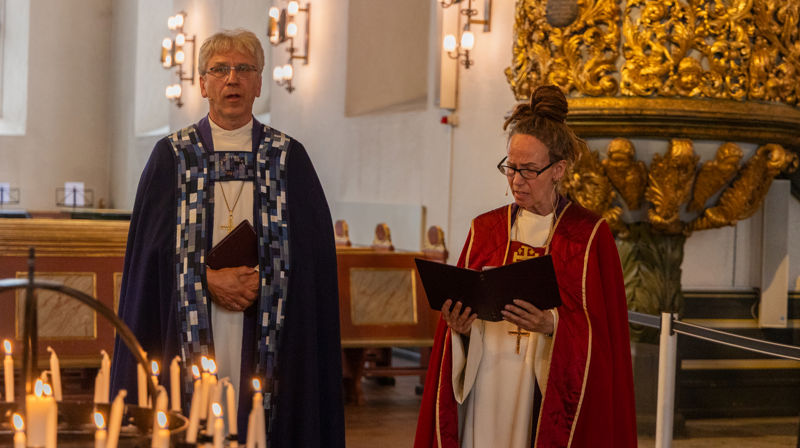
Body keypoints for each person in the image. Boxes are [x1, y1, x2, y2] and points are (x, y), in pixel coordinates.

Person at [110, 29, 345, 447]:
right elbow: (149, 258)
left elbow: (313, 262)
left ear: (259, 82)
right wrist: (204, 280)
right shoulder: (172, 157)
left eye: (243, 69)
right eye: (219, 70)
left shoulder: (288, 158)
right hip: (187, 329)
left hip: (266, 329)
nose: (231, 79)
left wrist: (265, 281)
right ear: (203, 83)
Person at [414, 85, 637, 447]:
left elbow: (605, 338)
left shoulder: (588, 235)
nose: (516, 180)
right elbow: (463, 317)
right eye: (510, 167)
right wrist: (460, 328)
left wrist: (552, 324)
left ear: (558, 169)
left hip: (542, 394)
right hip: (485, 387)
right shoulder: (485, 230)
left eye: (529, 170)